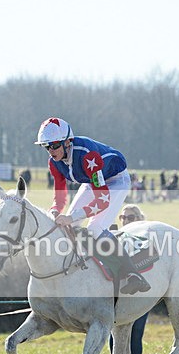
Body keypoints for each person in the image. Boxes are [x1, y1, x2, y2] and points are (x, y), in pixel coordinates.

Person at [36, 116, 150, 295]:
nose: (51, 151)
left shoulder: (88, 156)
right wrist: (55, 211)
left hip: (115, 181)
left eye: (55, 145)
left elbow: (103, 199)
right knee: (70, 226)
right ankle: (79, 266)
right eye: (46, 146)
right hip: (91, 182)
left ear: (68, 142)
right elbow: (60, 194)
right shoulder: (53, 162)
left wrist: (71, 216)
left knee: (95, 228)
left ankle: (133, 274)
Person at [108, 204, 150, 354]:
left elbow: (149, 267)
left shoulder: (145, 242)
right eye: (123, 217)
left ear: (139, 219)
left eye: (130, 217)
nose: (125, 220)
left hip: (140, 295)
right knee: (114, 332)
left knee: (136, 332)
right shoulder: (114, 239)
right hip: (117, 294)